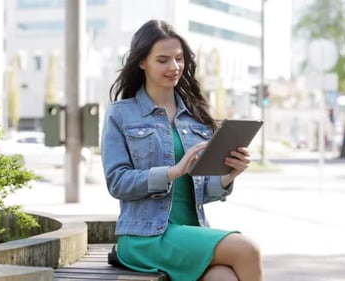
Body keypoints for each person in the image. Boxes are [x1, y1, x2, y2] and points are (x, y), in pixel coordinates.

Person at [100, 19, 263, 281]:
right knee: (247, 249)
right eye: (163, 60)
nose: (174, 67)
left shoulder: (196, 117)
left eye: (179, 58)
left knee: (223, 278)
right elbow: (117, 182)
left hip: (191, 231)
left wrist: (229, 174)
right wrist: (171, 172)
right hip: (146, 236)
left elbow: (201, 191)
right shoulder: (121, 114)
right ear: (142, 62)